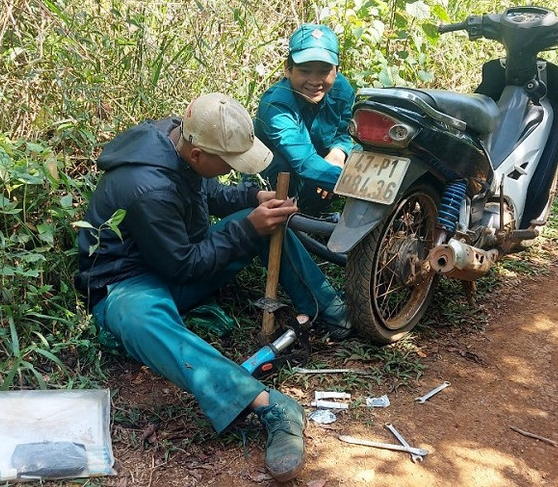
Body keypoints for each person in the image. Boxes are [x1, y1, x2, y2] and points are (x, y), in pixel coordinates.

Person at [74, 93, 352, 482]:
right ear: (199, 153)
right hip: (127, 284)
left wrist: (252, 200)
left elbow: (207, 195)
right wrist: (246, 227)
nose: (232, 169)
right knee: (141, 318)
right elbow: (185, 266)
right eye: (229, 163)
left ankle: (332, 314)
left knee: (266, 221)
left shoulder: (178, 139)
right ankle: (270, 405)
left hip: (175, 262)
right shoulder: (148, 186)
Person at [254, 23, 359, 214]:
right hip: (276, 180)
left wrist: (338, 153)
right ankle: (294, 218)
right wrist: (362, 187)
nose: (315, 80)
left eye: (324, 71)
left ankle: (313, 210)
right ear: (288, 69)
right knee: (281, 166)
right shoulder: (276, 106)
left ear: (336, 71)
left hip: (318, 171)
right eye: (305, 70)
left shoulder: (342, 89)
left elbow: (345, 132)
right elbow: (304, 162)